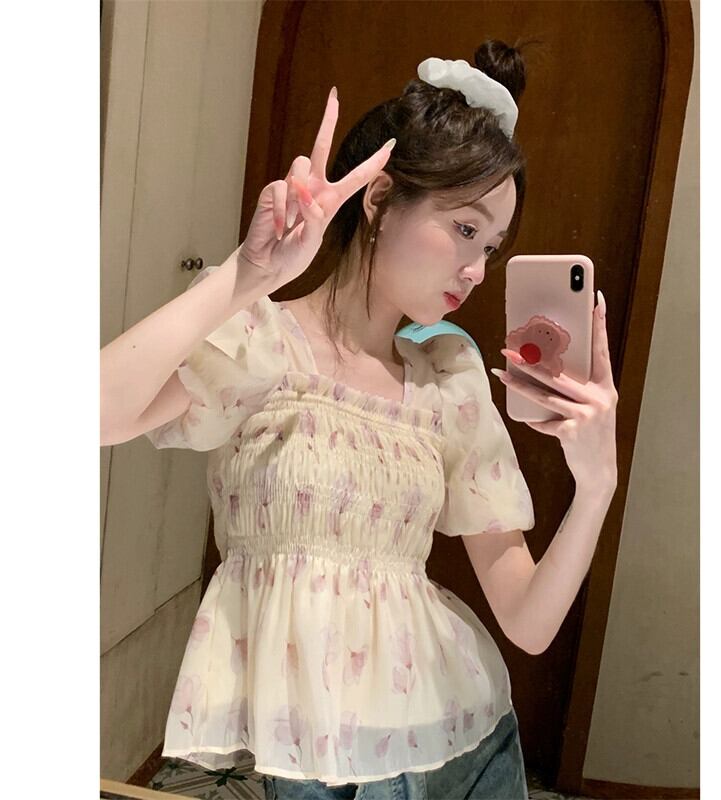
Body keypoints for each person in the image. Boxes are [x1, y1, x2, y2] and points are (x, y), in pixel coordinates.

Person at [101, 39, 618, 800]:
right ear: (378, 201)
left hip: (452, 751)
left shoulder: (447, 379)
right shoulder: (262, 341)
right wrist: (248, 275)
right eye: (465, 229)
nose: (477, 269)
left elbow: (529, 622)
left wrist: (597, 484)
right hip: (296, 755)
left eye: (492, 245)